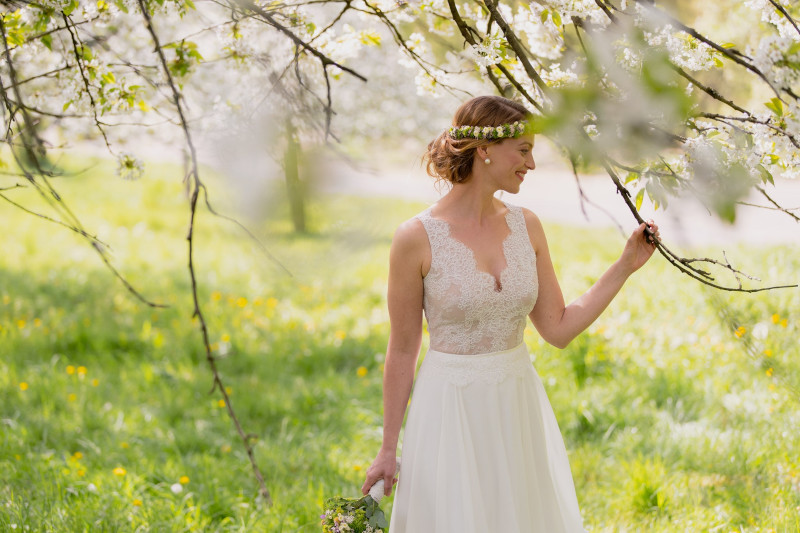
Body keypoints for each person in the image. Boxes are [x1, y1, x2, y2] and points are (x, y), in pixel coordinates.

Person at [361, 95, 660, 532]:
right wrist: (388, 447)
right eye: (523, 150)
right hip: (451, 406)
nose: (532, 164)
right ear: (485, 150)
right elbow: (403, 349)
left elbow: (557, 329)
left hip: (516, 399)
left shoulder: (528, 225)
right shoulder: (415, 238)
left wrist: (624, 267)